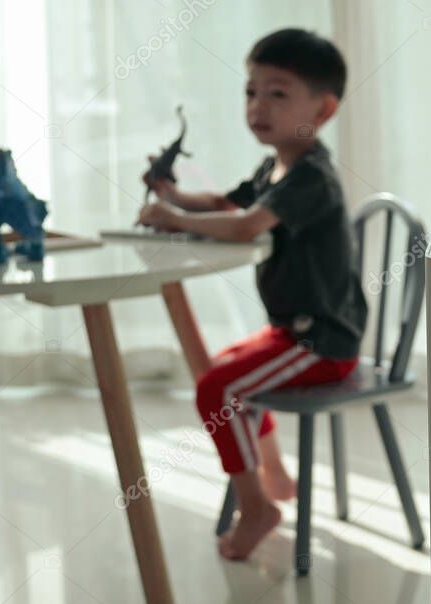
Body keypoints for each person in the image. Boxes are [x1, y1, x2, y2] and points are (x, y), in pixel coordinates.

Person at [137, 28, 368, 561]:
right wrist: (174, 197)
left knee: (217, 389)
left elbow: (245, 226)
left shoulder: (312, 177)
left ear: (324, 108)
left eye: (278, 93)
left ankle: (257, 505)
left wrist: (172, 218)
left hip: (322, 341)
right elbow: (224, 202)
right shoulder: (277, 165)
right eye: (251, 92)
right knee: (221, 367)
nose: (257, 106)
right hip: (296, 329)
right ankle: (275, 471)